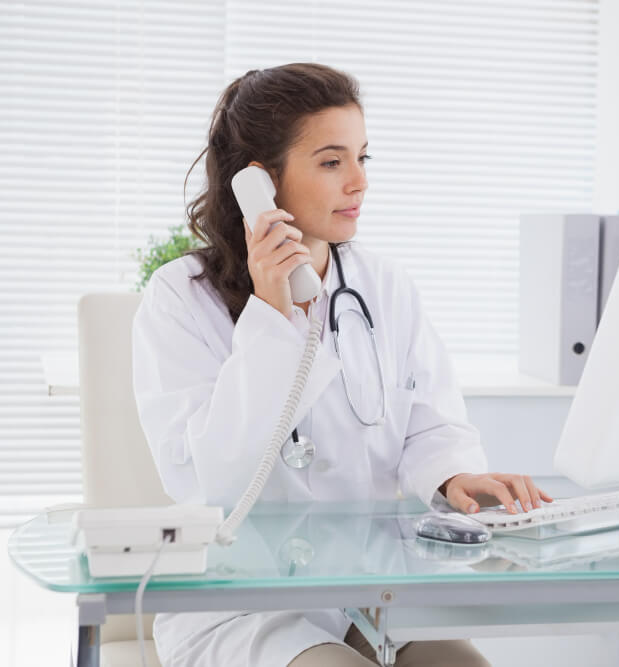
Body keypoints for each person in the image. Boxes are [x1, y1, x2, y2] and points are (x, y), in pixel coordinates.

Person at [132, 63, 552, 666]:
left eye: (363, 157)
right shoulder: (180, 298)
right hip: (244, 606)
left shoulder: (385, 286)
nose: (359, 182)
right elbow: (211, 485)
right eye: (332, 162)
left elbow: (431, 426)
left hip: (368, 595)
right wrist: (272, 315)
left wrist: (452, 477)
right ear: (260, 182)